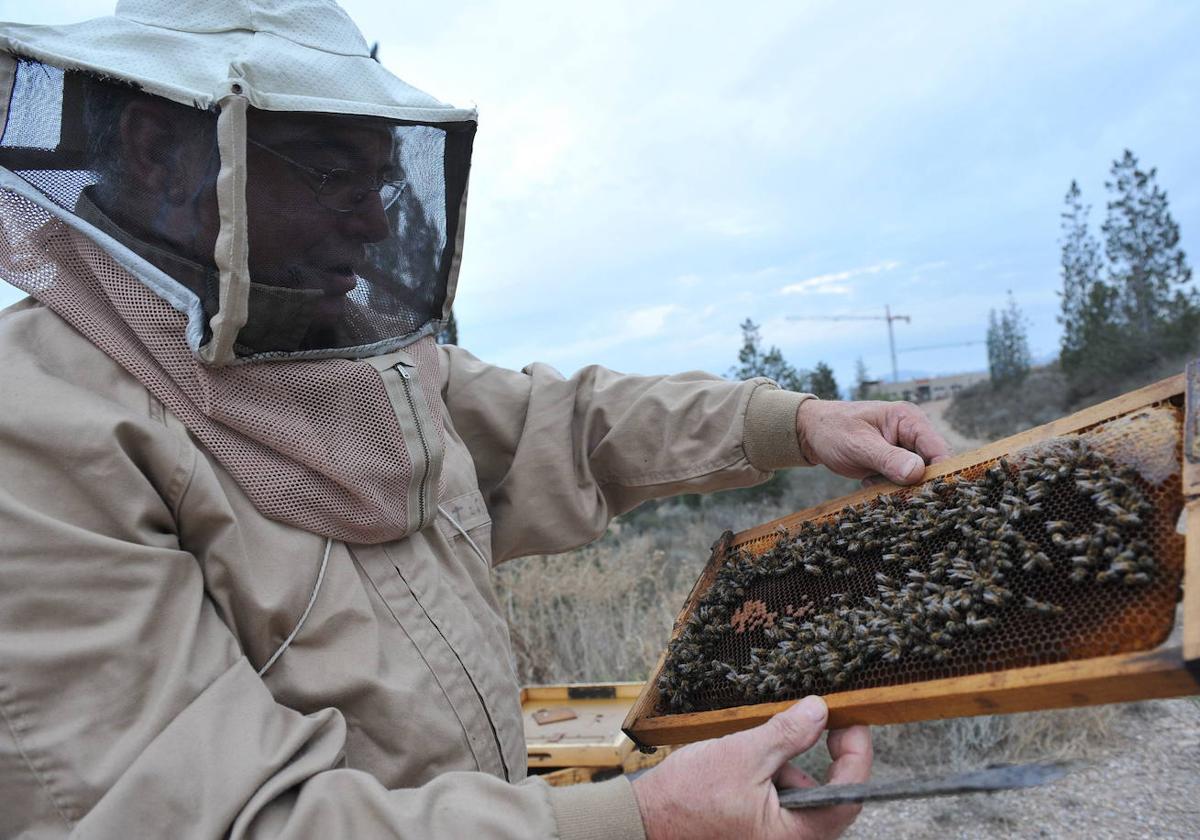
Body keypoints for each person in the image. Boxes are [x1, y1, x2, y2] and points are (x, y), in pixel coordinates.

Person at [0, 2, 949, 838]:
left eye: (383, 178)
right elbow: (208, 821)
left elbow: (563, 423)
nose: (375, 223)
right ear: (156, 149)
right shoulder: (39, 432)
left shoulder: (345, 358)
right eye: (332, 173)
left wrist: (795, 422)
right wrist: (640, 823)